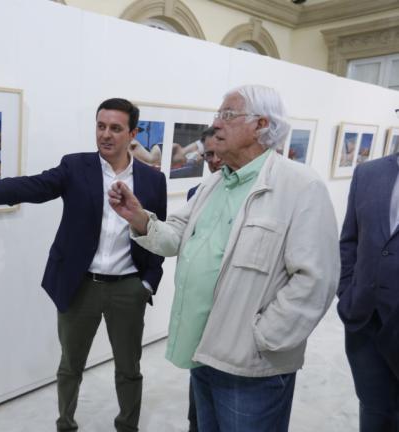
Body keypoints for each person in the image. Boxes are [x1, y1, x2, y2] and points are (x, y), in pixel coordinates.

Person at [108, 85, 339, 431]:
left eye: (227, 115)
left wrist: (263, 339)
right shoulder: (212, 185)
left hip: (251, 365)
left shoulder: (301, 186)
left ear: (261, 124)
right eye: (218, 114)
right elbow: (175, 236)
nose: (216, 123)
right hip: (203, 350)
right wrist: (138, 217)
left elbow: (315, 280)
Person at [0, 98, 167, 432]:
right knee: (70, 365)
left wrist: (147, 284)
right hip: (80, 284)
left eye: (115, 128)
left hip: (129, 287)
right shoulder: (75, 166)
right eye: (100, 126)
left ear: (132, 132)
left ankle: (127, 426)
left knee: (129, 368)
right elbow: (34, 185)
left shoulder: (152, 180)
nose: (106, 134)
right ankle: (65, 424)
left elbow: (158, 235)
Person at [338, 152, 399, 431]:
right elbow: (349, 240)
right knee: (373, 412)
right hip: (365, 321)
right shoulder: (368, 173)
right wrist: (347, 291)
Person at [184, 126, 224, 432]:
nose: (213, 160)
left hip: (237, 319)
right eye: (208, 154)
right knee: (199, 404)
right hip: (201, 314)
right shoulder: (196, 194)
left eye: (218, 152)